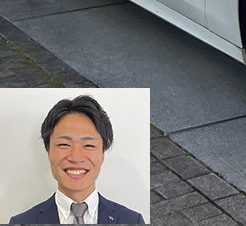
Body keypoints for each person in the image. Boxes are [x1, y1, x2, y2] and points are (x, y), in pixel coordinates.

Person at [9, 95, 145, 224]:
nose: (76, 158)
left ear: (102, 154)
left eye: (88, 145)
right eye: (64, 144)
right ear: (48, 151)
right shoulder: (20, 222)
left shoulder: (133, 221)